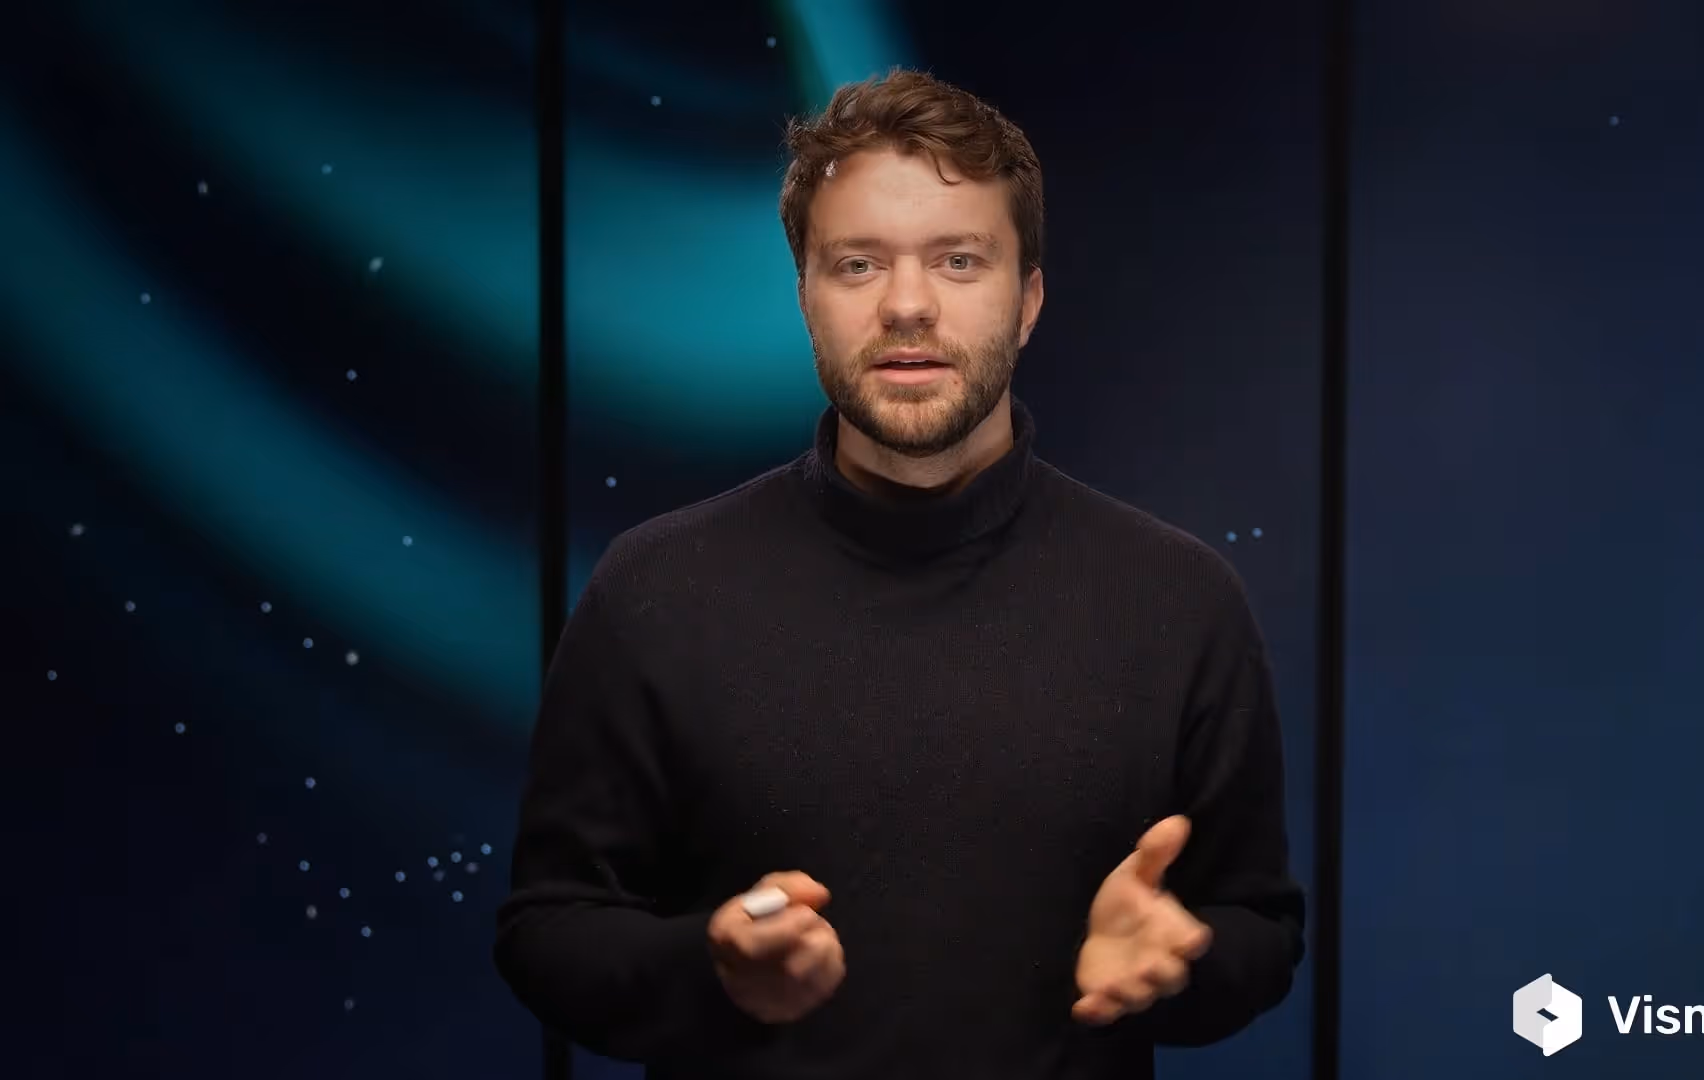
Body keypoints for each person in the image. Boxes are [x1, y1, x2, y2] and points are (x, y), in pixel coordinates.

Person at [493, 67, 1305, 1080]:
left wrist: (1179, 965)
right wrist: (709, 967)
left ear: (1028, 301)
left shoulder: (1178, 600)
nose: (908, 306)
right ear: (805, 299)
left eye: (959, 261)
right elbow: (548, 929)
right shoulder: (654, 588)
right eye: (858, 265)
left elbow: (1260, 928)